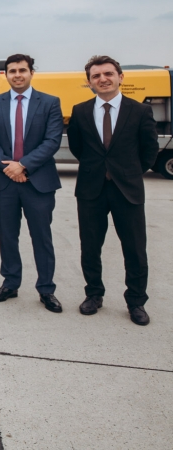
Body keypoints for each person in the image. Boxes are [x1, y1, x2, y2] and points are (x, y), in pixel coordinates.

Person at [68, 55, 159, 326]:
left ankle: (136, 302)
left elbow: (149, 150)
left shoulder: (139, 111)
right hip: (91, 190)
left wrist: (128, 172)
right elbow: (77, 147)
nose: (103, 79)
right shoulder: (80, 111)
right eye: (96, 76)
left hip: (127, 190)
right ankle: (94, 294)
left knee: (135, 249)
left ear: (120, 77)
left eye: (108, 74)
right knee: (90, 247)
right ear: (89, 82)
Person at [0, 54, 64, 313]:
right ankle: (10, 283)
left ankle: (46, 289)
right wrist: (10, 168)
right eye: (12, 71)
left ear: (31, 73)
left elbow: (52, 141)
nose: (17, 75)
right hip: (5, 182)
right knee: (7, 236)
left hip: (38, 182)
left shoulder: (50, 103)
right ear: (6, 74)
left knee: (42, 237)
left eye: (22, 70)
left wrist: (23, 165)